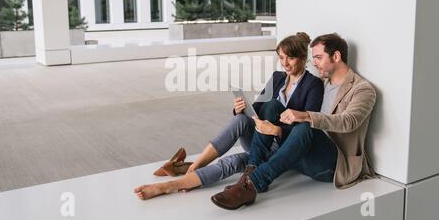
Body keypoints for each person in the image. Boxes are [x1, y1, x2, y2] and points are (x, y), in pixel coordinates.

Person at [134, 32, 324, 200]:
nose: (284, 63)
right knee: (241, 119)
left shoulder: (313, 84)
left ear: (302, 57)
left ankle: (169, 185)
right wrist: (240, 108)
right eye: (281, 58)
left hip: (283, 146)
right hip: (260, 140)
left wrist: (276, 130)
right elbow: (258, 108)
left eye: (289, 58)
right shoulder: (277, 77)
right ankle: (197, 165)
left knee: (233, 162)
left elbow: (307, 128)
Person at [211, 33, 377, 210]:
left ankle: (253, 183)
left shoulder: (362, 89)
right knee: (273, 105)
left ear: (336, 56)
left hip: (333, 161)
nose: (314, 63)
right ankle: (249, 173)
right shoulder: (320, 83)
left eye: (319, 58)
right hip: (303, 148)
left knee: (305, 127)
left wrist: (305, 116)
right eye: (313, 58)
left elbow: (349, 121)